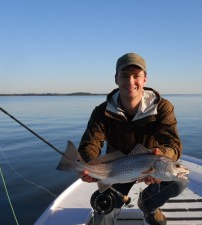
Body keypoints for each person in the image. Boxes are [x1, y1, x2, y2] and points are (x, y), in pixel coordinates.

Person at [78, 53, 187, 225]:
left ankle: (148, 204)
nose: (130, 81)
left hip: (152, 166)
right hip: (117, 169)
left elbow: (173, 144)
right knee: (103, 214)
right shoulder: (101, 111)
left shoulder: (163, 107)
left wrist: (162, 153)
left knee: (179, 182)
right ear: (116, 79)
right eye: (124, 75)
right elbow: (90, 143)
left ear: (145, 79)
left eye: (136, 76)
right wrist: (88, 165)